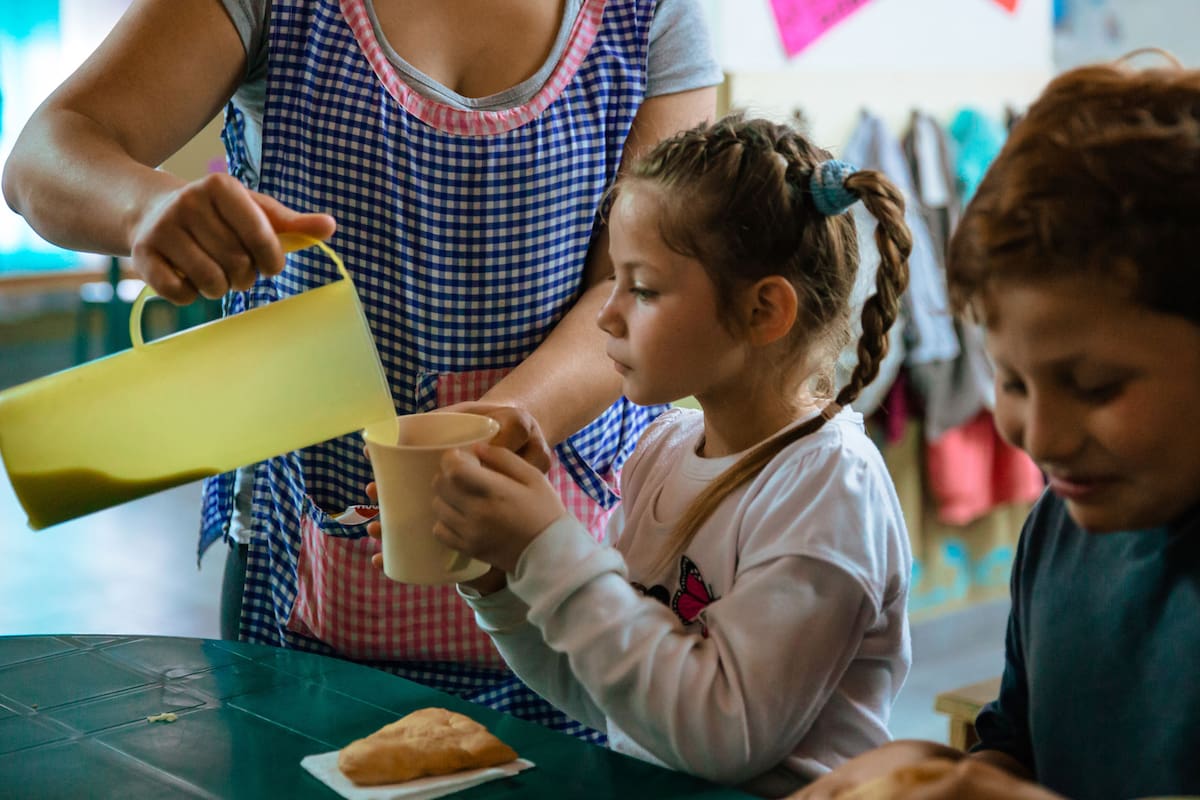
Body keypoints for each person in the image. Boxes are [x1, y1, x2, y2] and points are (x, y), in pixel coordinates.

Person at [0, 0, 719, 739]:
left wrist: (491, 426)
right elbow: (43, 157)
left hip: (581, 558)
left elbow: (633, 286)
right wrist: (142, 207)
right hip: (301, 559)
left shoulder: (651, 16)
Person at [404, 114, 915, 796]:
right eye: (614, 281)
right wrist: (499, 574)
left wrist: (547, 548)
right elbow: (611, 693)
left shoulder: (827, 485)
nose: (607, 316)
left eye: (641, 288)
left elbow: (719, 735)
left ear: (765, 311)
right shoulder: (662, 450)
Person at [792, 54, 1200, 800]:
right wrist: (941, 776)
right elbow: (1017, 742)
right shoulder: (1060, 529)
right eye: (1010, 381)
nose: (1039, 436)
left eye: (1097, 386)